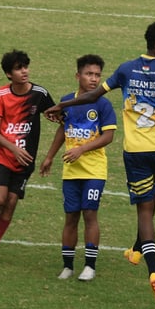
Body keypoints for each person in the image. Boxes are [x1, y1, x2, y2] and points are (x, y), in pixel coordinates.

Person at [45, 20, 155, 309]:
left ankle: (151, 269)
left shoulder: (125, 69)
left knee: (143, 209)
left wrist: (63, 106)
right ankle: (135, 250)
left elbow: (95, 97)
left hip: (134, 151)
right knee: (151, 194)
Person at [0, 50, 55, 270]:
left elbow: (53, 112)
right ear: (8, 74)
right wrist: (13, 149)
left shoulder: (39, 93)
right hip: (3, 156)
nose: (24, 71)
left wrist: (57, 114)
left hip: (25, 161)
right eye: (18, 68)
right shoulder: (0, 95)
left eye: (25, 66)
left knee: (11, 202)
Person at [39, 54, 117, 282]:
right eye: (89, 74)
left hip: (94, 170)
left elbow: (109, 136)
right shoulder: (67, 101)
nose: (94, 79)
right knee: (70, 216)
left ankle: (90, 266)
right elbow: (63, 129)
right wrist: (50, 156)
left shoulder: (103, 104)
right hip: (71, 170)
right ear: (78, 76)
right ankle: (68, 265)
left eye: (97, 75)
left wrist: (81, 150)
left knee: (90, 213)